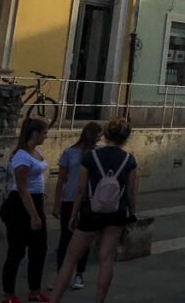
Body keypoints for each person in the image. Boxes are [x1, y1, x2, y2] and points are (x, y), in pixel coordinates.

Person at [49, 118, 138, 303]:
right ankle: (99, 301)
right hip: (116, 213)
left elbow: (81, 189)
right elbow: (130, 190)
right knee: (106, 258)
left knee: (70, 259)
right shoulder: (129, 159)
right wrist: (132, 213)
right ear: (125, 137)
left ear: (106, 135)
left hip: (91, 212)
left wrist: (74, 213)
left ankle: (54, 299)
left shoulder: (91, 157)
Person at [1, 117, 50, 303]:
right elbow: (22, 188)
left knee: (39, 249)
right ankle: (8, 294)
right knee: (17, 250)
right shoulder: (21, 156)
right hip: (21, 205)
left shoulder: (36, 151)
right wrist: (34, 216)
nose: (46, 136)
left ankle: (34, 291)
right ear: (35, 133)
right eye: (44, 133)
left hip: (36, 200)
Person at [52, 122, 102, 291]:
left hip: (88, 201)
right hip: (69, 199)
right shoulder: (69, 152)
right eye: (97, 135)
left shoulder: (97, 154)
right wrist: (56, 204)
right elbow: (61, 180)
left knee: (84, 240)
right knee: (65, 239)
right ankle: (62, 275)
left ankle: (79, 273)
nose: (99, 139)